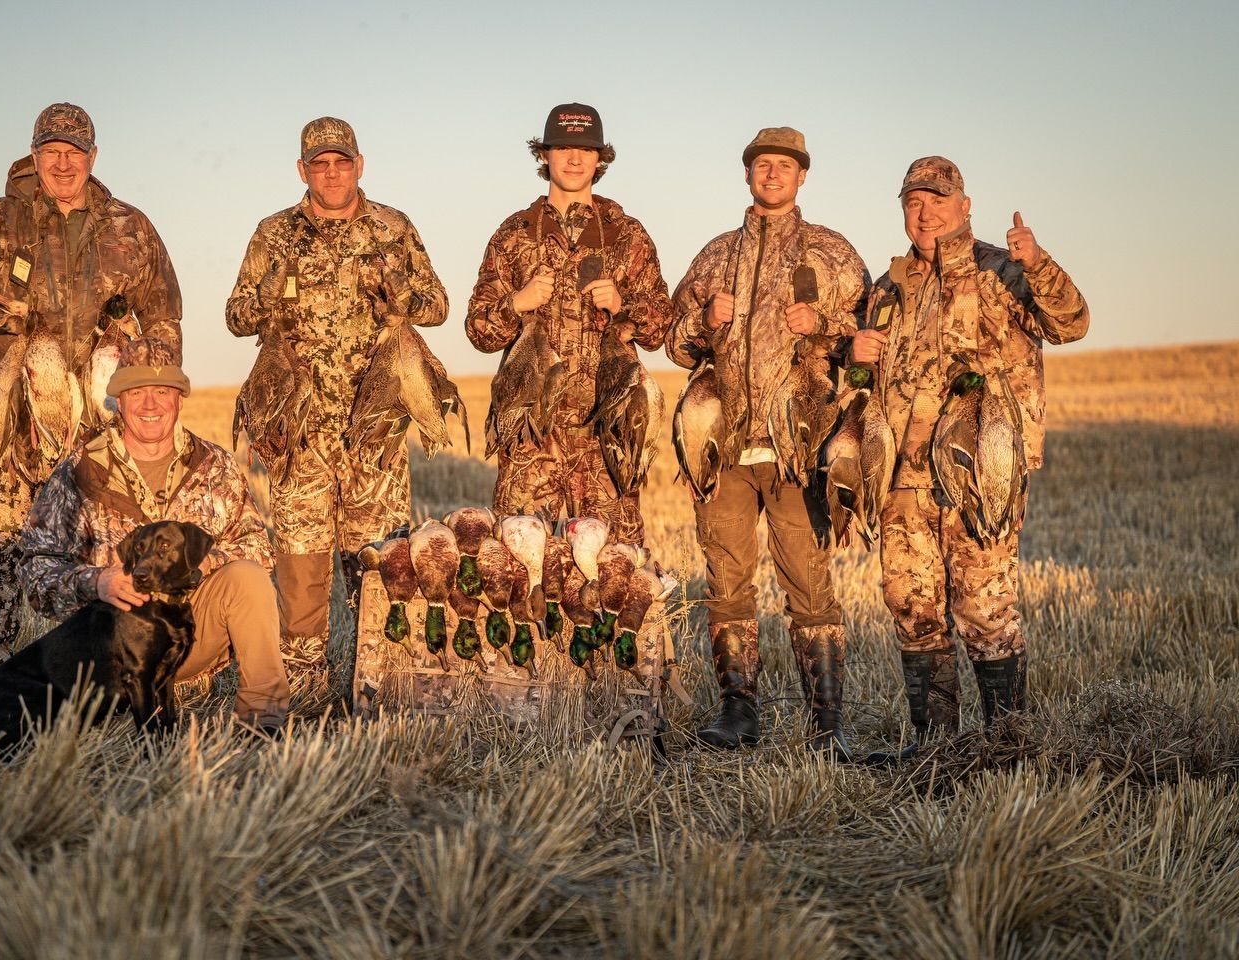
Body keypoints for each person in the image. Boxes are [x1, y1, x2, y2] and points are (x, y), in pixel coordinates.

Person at [0, 102, 182, 665]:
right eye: (51, 151)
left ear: (92, 157)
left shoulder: (131, 227)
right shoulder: (5, 217)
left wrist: (153, 393)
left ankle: (104, 666)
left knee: (101, 543)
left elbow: (165, 318)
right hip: (19, 418)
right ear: (35, 155)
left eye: (73, 152)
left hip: (99, 421)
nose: (62, 162)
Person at [851, 157, 1088, 735]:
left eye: (937, 199)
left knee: (984, 610)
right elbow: (863, 385)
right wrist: (853, 354)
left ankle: (1007, 741)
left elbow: (1072, 323)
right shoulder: (889, 288)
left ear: (964, 206)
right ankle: (937, 749)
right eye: (913, 202)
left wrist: (1039, 263)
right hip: (903, 481)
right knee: (913, 610)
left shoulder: (1001, 270)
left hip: (981, 476)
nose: (925, 212)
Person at [225, 117, 448, 698]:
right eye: (319, 164)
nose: (331, 173)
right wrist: (268, 293)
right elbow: (236, 317)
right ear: (302, 170)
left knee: (378, 565)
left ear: (359, 165)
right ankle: (301, 693)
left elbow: (438, 305)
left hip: (374, 428)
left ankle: (380, 686)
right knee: (301, 566)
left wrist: (402, 293)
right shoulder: (273, 234)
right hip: (298, 432)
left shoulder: (392, 229)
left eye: (341, 162)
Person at [666, 127, 869, 753]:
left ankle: (827, 727)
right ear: (748, 174)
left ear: (802, 176)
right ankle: (738, 714)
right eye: (762, 165)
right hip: (724, 453)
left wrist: (828, 324)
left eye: (784, 166)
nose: (772, 174)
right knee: (726, 583)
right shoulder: (716, 255)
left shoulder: (832, 254)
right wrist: (704, 321)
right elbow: (675, 344)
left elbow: (868, 345)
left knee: (810, 585)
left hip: (798, 452)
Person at [19, 338, 289, 732]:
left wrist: (195, 566)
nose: (150, 405)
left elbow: (258, 549)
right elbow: (35, 569)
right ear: (119, 401)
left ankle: (264, 721)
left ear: (179, 399)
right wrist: (96, 582)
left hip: (187, 633)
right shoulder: (80, 471)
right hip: (111, 648)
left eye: (162, 392)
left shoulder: (214, 465)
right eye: (137, 393)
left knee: (247, 576)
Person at [465, 103, 672, 544]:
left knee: (613, 573)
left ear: (601, 159)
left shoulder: (626, 234)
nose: (574, 159)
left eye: (585, 149)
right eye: (562, 149)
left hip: (609, 437)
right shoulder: (514, 233)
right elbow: (478, 330)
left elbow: (660, 329)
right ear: (544, 155)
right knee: (521, 572)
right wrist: (516, 303)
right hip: (530, 436)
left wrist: (623, 305)